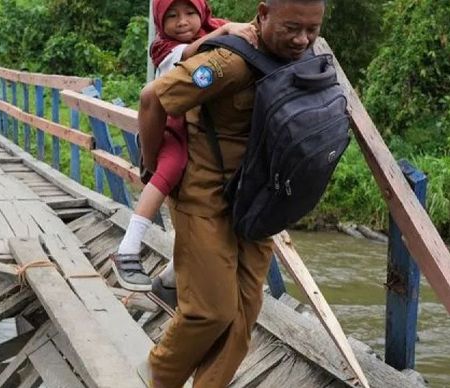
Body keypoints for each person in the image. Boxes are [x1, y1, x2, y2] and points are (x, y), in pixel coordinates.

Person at [136, 0, 327, 386]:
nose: (302, 39)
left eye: (312, 29)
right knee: (212, 310)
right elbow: (153, 98)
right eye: (292, 28)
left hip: (258, 203)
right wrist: (152, 163)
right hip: (205, 198)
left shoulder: (305, 57)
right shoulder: (229, 62)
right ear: (263, 14)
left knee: (243, 314)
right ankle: (158, 374)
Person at [111, 0, 258, 292]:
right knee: (171, 169)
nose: (183, 22)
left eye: (191, 13)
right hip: (172, 127)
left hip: (203, 132)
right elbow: (190, 53)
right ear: (159, 22)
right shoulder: (163, 48)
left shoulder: (213, 28)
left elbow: (249, 33)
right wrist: (228, 29)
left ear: (203, 12)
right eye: (173, 16)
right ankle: (128, 248)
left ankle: (175, 273)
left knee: (201, 190)